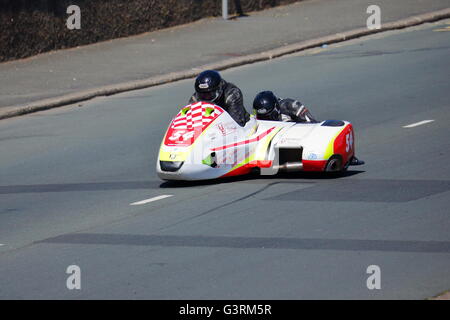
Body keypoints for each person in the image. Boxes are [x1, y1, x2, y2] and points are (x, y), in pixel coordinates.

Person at [253, 91, 364, 166]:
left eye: (268, 115)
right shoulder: (256, 115)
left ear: (276, 109)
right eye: (262, 116)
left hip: (295, 138)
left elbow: (311, 123)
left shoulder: (290, 106)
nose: (265, 118)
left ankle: (350, 157)